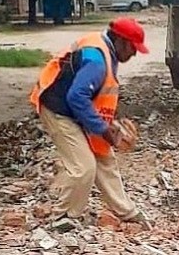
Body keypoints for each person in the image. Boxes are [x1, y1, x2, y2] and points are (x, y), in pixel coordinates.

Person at [28, 17, 151, 230]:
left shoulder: (106, 50)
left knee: (104, 158)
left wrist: (109, 125)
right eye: (133, 48)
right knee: (84, 167)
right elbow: (76, 97)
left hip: (76, 111)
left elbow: (96, 93)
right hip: (58, 110)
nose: (134, 54)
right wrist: (103, 129)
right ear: (121, 41)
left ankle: (126, 212)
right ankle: (63, 216)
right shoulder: (97, 61)